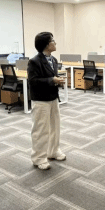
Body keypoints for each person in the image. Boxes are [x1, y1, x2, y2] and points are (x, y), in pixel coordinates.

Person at [27, 32, 66, 170]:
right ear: (46, 45)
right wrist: (52, 80)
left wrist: (57, 81)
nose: (55, 43)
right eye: (52, 41)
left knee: (55, 127)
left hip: (53, 98)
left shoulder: (53, 60)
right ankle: (39, 158)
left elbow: (51, 77)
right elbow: (33, 81)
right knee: (40, 129)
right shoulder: (34, 61)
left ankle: (53, 151)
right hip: (41, 100)